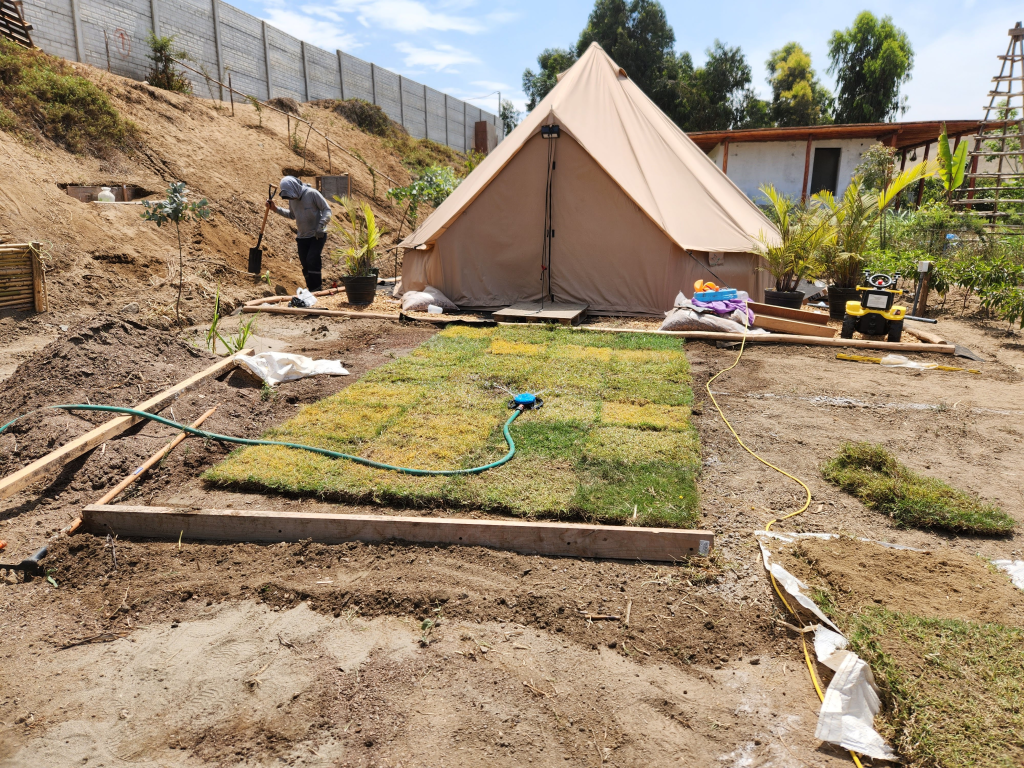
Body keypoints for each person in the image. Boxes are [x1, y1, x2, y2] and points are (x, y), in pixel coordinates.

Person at [267, 176, 332, 291]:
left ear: (295, 187)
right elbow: (292, 215)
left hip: (317, 235)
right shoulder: (292, 200)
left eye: (291, 195)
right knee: (305, 263)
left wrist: (321, 225)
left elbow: (327, 210)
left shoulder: (312, 193)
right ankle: (311, 289)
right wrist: (275, 209)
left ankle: (317, 288)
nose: (291, 198)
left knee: (312, 259)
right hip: (302, 237)